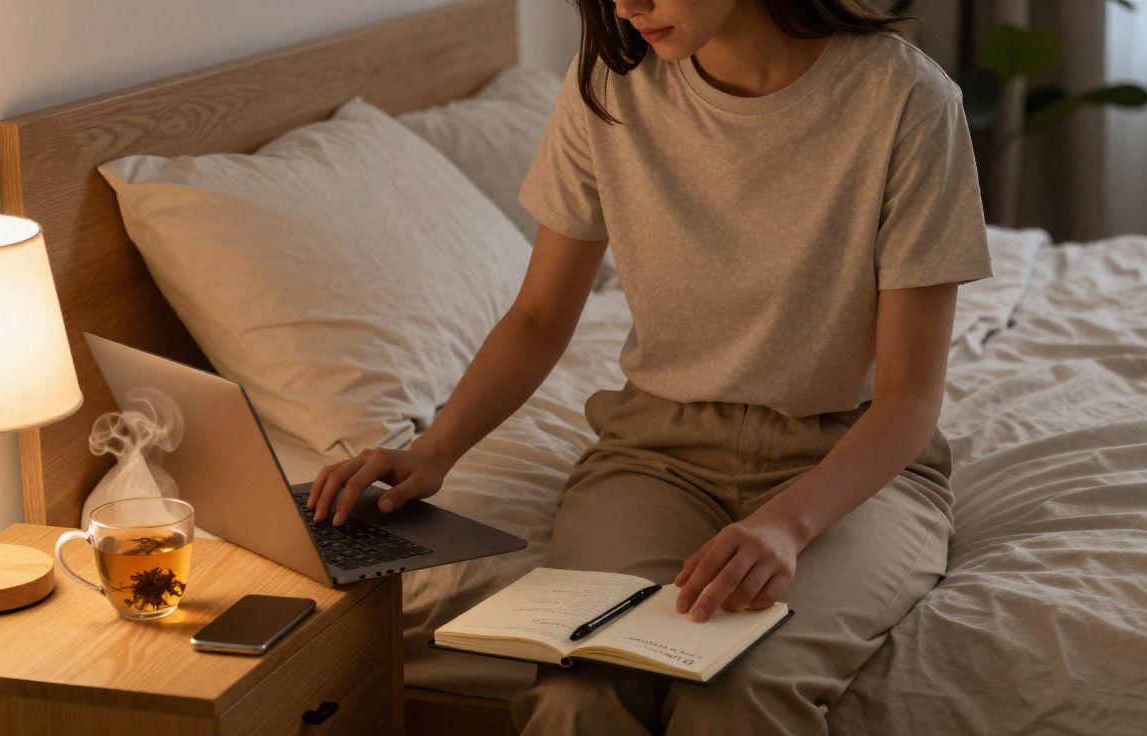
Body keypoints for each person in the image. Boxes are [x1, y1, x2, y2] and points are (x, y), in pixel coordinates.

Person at [307, 0, 993, 732]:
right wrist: (435, 449)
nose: (626, 7)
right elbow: (539, 316)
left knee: (736, 692)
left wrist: (786, 527)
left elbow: (908, 398)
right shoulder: (609, 85)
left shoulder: (906, 100)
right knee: (581, 687)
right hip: (656, 456)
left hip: (849, 466)